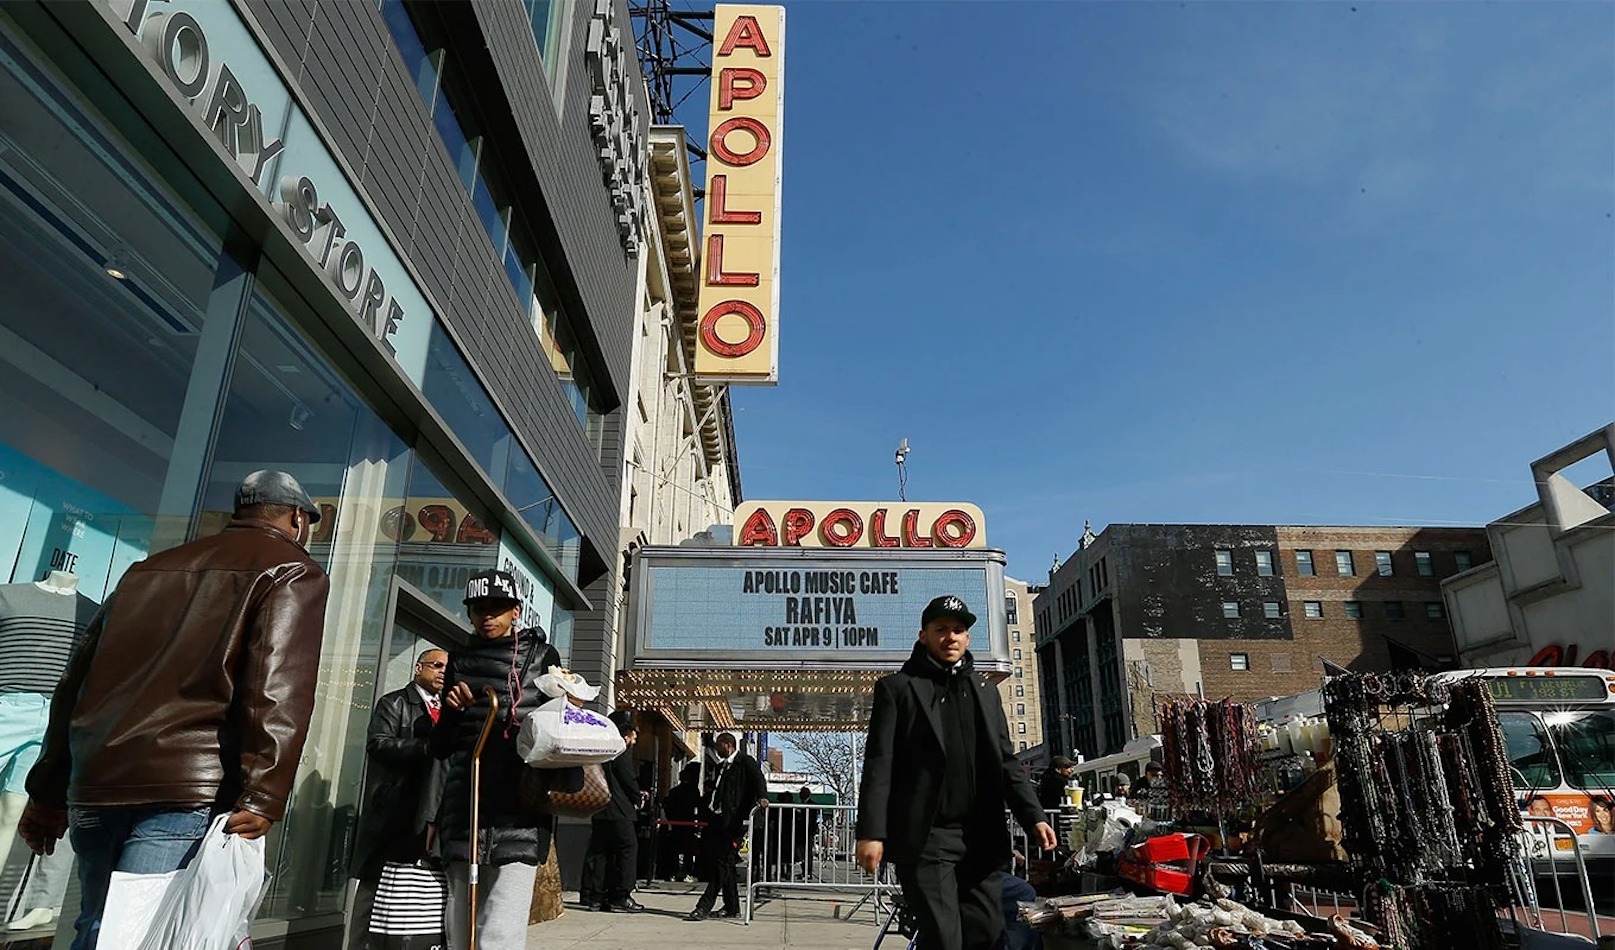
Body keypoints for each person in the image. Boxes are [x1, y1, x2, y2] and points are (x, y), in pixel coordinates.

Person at [18, 470, 330, 949]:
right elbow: (276, 688)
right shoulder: (291, 569)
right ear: (296, 517)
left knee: (98, 927)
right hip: (187, 787)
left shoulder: (150, 569)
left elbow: (75, 682)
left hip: (98, 780)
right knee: (145, 935)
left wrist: (48, 790)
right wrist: (265, 791)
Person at [856, 594, 1056, 950]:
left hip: (981, 836)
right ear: (924, 636)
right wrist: (871, 833)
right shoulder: (898, 690)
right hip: (927, 838)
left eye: (958, 630)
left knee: (984, 932)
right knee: (943, 938)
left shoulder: (985, 691)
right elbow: (879, 765)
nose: (951, 637)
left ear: (967, 638)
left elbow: (1006, 761)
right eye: (941, 629)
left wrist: (1034, 817)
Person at [430, 569, 563, 950]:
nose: (488, 615)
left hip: (519, 808)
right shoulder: (459, 659)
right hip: (465, 805)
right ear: (469, 613)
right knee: (459, 927)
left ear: (516, 611)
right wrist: (452, 713)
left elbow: (558, 727)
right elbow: (441, 747)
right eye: (479, 608)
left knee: (501, 930)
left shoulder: (541, 656)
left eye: (498, 607)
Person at [347, 647, 448, 948]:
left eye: (447, 667)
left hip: (430, 813)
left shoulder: (449, 710)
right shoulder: (395, 702)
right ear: (418, 668)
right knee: (375, 890)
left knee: (418, 892)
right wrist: (427, 747)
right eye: (436, 665)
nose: (443, 671)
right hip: (393, 812)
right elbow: (379, 745)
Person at [685, 731, 767, 921]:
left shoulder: (744, 762)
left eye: (718, 746)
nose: (716, 749)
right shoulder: (722, 767)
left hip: (735, 823)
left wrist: (762, 797)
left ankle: (704, 905)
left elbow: (758, 779)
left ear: (727, 745)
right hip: (719, 821)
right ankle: (732, 907)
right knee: (725, 864)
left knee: (722, 863)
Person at [582, 710, 644, 912]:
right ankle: (621, 895)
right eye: (633, 737)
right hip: (619, 810)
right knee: (628, 849)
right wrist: (637, 797)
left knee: (600, 852)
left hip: (599, 809)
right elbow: (627, 779)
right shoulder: (619, 751)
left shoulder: (600, 750)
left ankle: (595, 896)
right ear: (625, 735)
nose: (633, 742)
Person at [662, 762, 703, 882]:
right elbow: (697, 806)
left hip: (676, 824)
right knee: (688, 850)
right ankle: (686, 872)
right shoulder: (694, 791)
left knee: (674, 849)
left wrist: (671, 819)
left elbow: (667, 805)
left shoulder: (674, 791)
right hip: (688, 823)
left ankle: (673, 872)